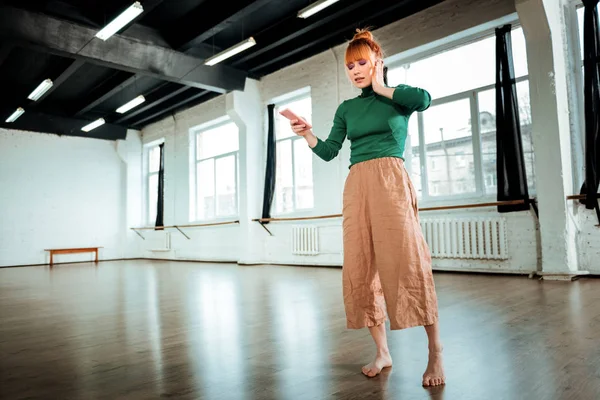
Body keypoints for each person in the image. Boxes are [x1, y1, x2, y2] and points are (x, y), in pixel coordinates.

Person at [290, 28, 445, 387]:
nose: (355, 70)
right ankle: (382, 351)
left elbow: (424, 99)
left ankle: (435, 351)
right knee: (361, 267)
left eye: (361, 63)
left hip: (391, 181)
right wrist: (306, 134)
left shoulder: (398, 98)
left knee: (409, 263)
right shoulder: (347, 108)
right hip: (356, 185)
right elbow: (329, 150)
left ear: (377, 61)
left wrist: (382, 88)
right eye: (350, 66)